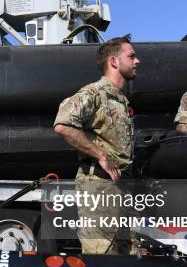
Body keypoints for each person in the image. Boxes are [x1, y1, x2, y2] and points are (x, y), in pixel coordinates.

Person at [53, 37, 140, 254]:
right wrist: (100, 155)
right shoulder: (95, 93)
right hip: (99, 187)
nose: (137, 61)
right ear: (114, 61)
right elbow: (63, 124)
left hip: (121, 189)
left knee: (129, 256)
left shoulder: (120, 100)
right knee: (103, 259)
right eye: (131, 56)